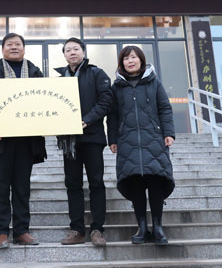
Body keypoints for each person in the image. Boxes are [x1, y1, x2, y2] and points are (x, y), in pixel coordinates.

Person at [0, 33, 47, 248]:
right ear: (2, 49)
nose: (14, 47)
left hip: (27, 139)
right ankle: (0, 232)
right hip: (1, 139)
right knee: (0, 186)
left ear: (24, 49)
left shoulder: (35, 72)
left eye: (18, 44)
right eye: (10, 44)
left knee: (22, 187)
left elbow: (44, 101)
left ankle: (21, 231)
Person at [107, 45, 175, 245]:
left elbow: (165, 108)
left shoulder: (154, 83)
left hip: (153, 139)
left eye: (134, 57)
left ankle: (158, 227)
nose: (130, 61)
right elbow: (112, 116)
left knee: (156, 182)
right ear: (122, 63)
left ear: (141, 60)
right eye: (126, 58)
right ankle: (142, 227)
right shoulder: (116, 87)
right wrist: (112, 139)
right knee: (135, 184)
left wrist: (168, 133)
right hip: (127, 141)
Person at [54, 37, 112, 247]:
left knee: (96, 182)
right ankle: (77, 230)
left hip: (92, 137)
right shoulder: (59, 79)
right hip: (69, 141)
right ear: (64, 55)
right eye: (68, 50)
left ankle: (97, 229)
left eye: (75, 49)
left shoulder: (97, 74)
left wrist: (86, 120)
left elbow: (105, 101)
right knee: (73, 184)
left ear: (83, 52)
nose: (72, 52)